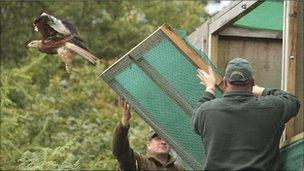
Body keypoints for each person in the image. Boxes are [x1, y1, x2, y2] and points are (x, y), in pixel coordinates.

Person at [192, 57, 300, 170]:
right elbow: (293, 101)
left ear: (224, 82)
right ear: (253, 81)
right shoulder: (272, 107)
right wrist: (261, 90)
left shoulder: (206, 111)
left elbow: (197, 116)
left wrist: (210, 88)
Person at [112, 97, 184, 170]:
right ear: (148, 144)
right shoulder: (139, 162)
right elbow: (121, 152)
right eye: (158, 139)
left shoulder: (178, 169)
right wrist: (124, 123)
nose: (163, 142)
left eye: (166, 139)